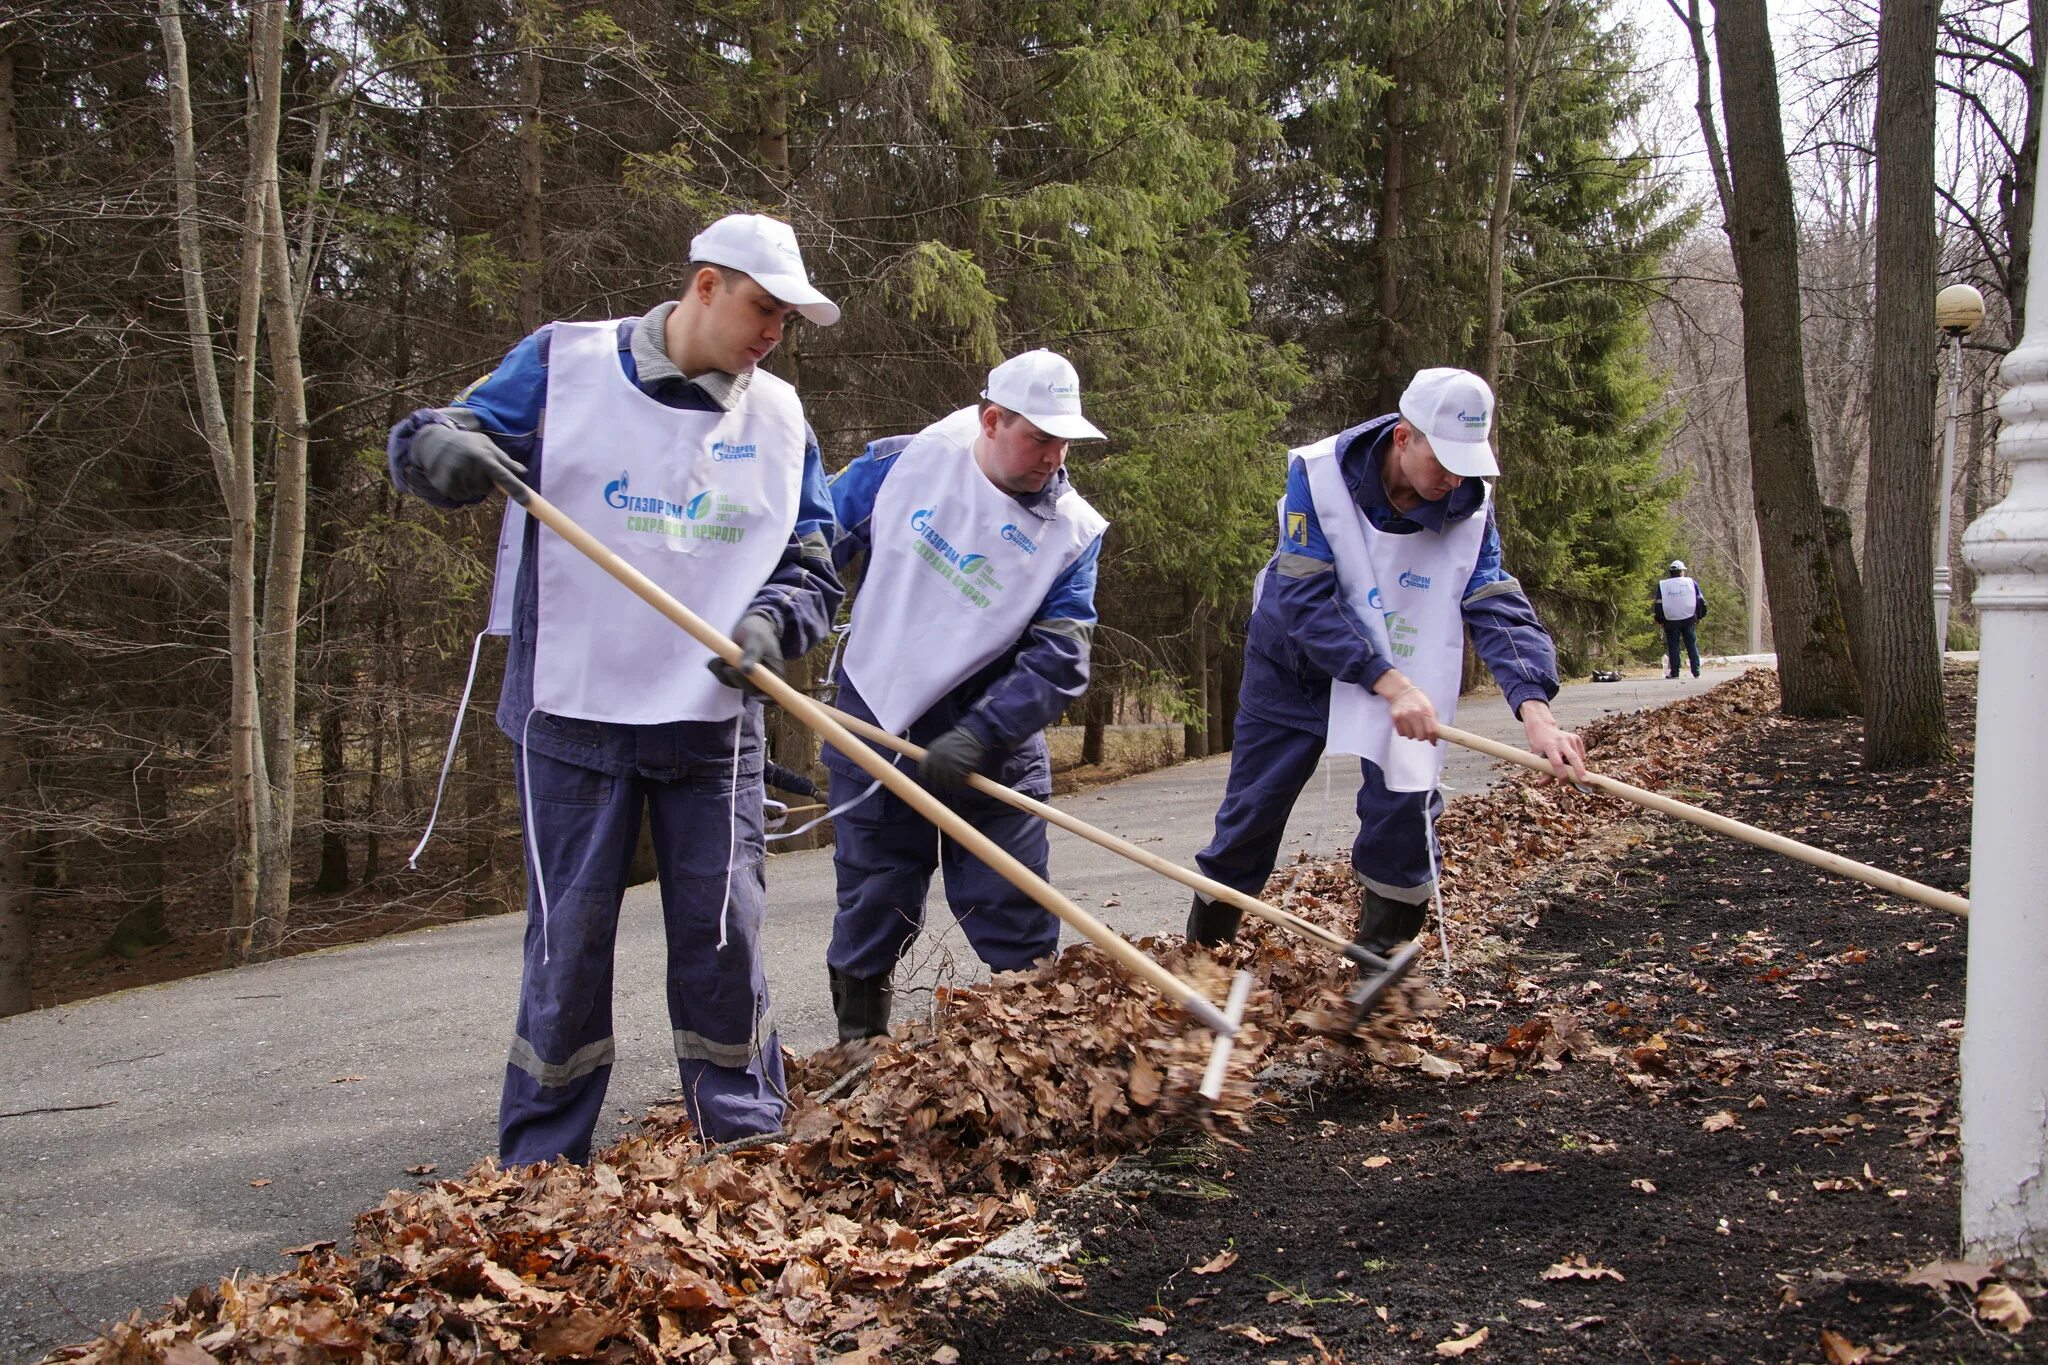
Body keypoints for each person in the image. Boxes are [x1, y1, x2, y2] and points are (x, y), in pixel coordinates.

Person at [385, 213, 843, 1164]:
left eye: (787, 320)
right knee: (569, 945)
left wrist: (770, 626)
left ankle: (746, 1142)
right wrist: (437, 452)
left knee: (727, 939)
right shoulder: (565, 366)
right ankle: (541, 1162)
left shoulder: (782, 419)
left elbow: (813, 564)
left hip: (712, 726)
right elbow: (440, 435)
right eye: (763, 307)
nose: (772, 333)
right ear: (706, 285)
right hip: (572, 714)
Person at [1185, 367, 1589, 977]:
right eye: (1443, 460)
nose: (1454, 479)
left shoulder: (1471, 507)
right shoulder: (1318, 475)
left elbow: (1494, 602)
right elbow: (1305, 598)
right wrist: (1388, 682)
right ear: (1404, 437)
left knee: (1405, 809)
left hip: (1402, 672)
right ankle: (1203, 963)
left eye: (1467, 463)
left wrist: (1536, 712)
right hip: (1296, 666)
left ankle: (1379, 971)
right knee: (1252, 811)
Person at [819, 350, 1109, 1041]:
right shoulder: (907, 463)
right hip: (877, 715)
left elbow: (1061, 657)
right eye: (1038, 436)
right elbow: (810, 540)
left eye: (1064, 440)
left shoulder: (1070, 533)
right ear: (991, 419)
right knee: (874, 896)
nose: (1053, 456)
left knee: (1010, 903)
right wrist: (768, 618)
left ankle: (1037, 1052)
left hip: (991, 746)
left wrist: (982, 732)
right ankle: (859, 1050)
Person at [1653, 560, 1706, 679]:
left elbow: (1658, 604)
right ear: (1681, 572)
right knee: (1691, 645)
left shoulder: (1663, 585)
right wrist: (1700, 616)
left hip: (1671, 619)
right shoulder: (1691, 583)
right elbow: (1701, 601)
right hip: (1688, 619)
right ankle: (1696, 672)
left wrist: (1660, 620)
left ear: (1671, 572)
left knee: (1673, 646)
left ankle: (1675, 672)